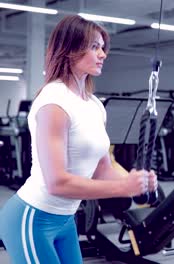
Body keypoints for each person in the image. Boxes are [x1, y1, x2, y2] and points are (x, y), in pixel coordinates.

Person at [0, 15, 157, 264]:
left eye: (103, 47)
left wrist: (135, 181)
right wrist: (124, 187)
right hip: (32, 218)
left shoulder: (95, 105)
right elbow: (57, 183)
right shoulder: (54, 101)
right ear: (70, 49)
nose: (103, 54)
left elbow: (102, 168)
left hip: (65, 219)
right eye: (95, 46)